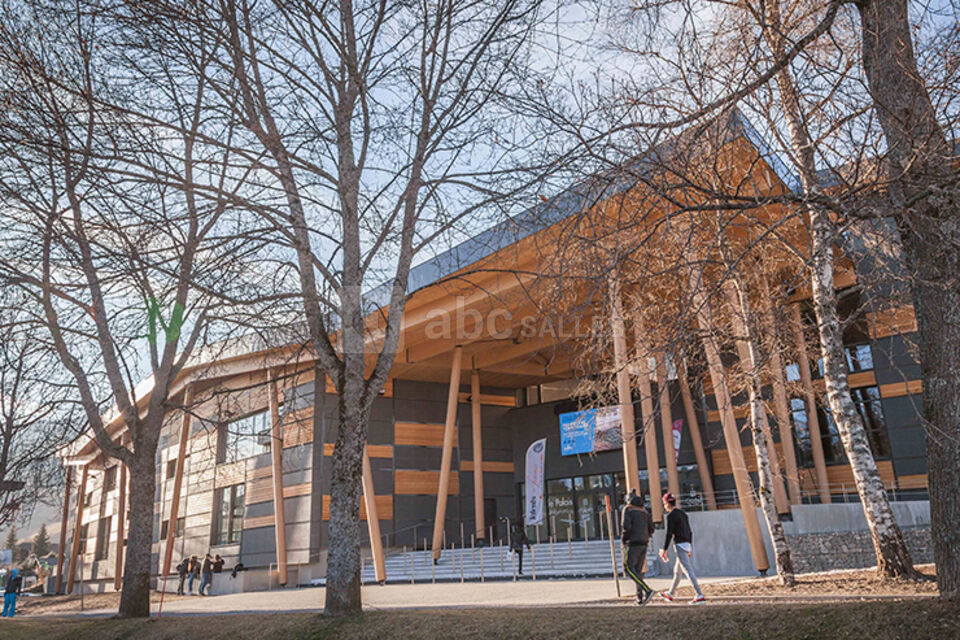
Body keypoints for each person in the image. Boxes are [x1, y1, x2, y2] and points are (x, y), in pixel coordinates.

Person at [658, 492, 706, 604]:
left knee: (687, 570)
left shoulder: (671, 516)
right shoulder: (683, 514)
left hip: (679, 545)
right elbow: (690, 531)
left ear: (666, 504)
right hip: (687, 544)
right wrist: (690, 547)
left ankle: (699, 595)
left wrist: (664, 549)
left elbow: (669, 533)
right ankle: (670, 593)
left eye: (664, 504)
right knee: (677, 572)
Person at [621, 493, 655, 605]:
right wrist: (647, 536)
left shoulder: (628, 510)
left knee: (628, 568)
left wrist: (624, 539)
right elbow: (652, 528)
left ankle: (647, 590)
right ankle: (639, 598)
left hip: (633, 542)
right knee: (638, 571)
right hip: (644, 543)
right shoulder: (644, 511)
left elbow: (626, 526)